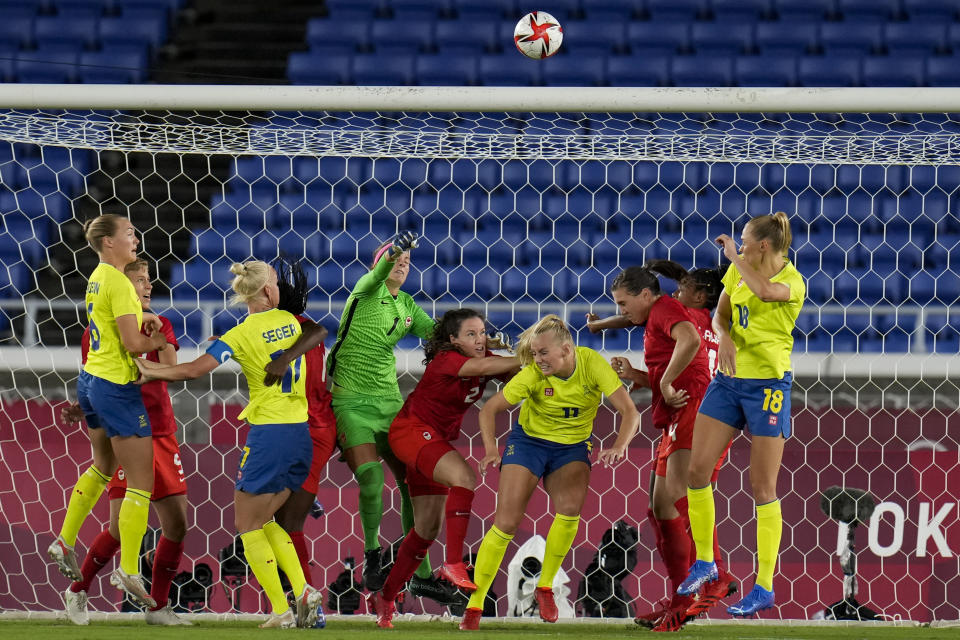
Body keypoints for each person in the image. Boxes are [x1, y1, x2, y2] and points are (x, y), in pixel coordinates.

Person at [135, 260, 323, 629]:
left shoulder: (239, 335)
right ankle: (303, 592)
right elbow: (316, 330)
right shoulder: (289, 320)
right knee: (265, 520)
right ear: (269, 291)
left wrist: (150, 370)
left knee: (246, 523)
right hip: (300, 434)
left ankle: (280, 611)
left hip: (269, 435)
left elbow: (191, 371)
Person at [458, 315, 641, 631]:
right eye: (535, 353)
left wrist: (620, 445)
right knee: (506, 523)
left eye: (543, 353)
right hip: (528, 443)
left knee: (570, 511)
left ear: (567, 350)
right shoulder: (532, 374)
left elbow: (630, 411)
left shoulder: (591, 364)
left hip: (571, 448)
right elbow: (490, 409)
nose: (537, 359)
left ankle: (545, 587)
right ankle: (475, 606)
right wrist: (490, 450)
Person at [587, 261, 737, 629]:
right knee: (660, 504)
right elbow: (663, 336)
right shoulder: (703, 317)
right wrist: (642, 373)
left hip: (694, 406)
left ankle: (713, 575)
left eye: (623, 303)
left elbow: (687, 344)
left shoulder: (672, 312)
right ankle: (680, 598)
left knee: (683, 497)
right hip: (687, 408)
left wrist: (665, 383)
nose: (677, 292)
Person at [676, 212, 805, 617]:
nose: (739, 243)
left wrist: (735, 258)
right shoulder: (737, 274)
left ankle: (764, 584)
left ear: (762, 245)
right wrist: (725, 337)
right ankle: (705, 562)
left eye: (745, 239)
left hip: (768, 387)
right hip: (728, 382)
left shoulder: (793, 281)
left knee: (761, 486)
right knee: (697, 472)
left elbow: (765, 292)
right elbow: (720, 315)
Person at [366, 309, 521, 628]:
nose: (479, 339)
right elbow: (487, 366)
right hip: (411, 432)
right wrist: (530, 355)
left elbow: (513, 377)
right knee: (464, 476)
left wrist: (525, 361)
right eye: (471, 334)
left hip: (430, 442)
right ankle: (452, 563)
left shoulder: (485, 357)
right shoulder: (448, 360)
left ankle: (385, 598)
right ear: (453, 340)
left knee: (425, 530)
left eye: (482, 332)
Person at [59, 259, 190, 626]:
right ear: (118, 289)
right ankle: (77, 590)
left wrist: (158, 346)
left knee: (177, 524)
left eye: (148, 280)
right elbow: (94, 385)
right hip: (126, 434)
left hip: (160, 431)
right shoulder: (96, 333)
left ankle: (157, 607)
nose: (147, 286)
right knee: (120, 528)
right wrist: (81, 409)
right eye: (138, 280)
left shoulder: (159, 323)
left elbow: (170, 368)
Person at [327, 232, 453, 604]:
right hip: (351, 403)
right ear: (378, 263)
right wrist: (395, 247)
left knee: (414, 483)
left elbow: (439, 336)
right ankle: (371, 556)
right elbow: (377, 272)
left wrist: (481, 342)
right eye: (394, 258)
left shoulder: (408, 306)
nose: (401, 263)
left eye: (406, 261)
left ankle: (422, 576)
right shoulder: (364, 292)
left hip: (390, 404)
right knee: (370, 478)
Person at [48, 214, 167, 608]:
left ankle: (65, 540)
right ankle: (129, 568)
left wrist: (142, 317)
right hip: (117, 387)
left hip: (91, 380)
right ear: (109, 242)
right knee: (141, 482)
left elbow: (112, 330)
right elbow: (133, 344)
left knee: (101, 466)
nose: (136, 237)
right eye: (130, 232)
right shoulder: (118, 281)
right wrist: (153, 335)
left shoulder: (98, 276)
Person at [263, 256, 335, 590]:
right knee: (273, 521)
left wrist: (283, 359)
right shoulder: (282, 329)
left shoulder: (297, 327)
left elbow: (318, 331)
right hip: (298, 429)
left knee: (288, 523)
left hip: (309, 431)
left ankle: (307, 599)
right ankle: (298, 597)